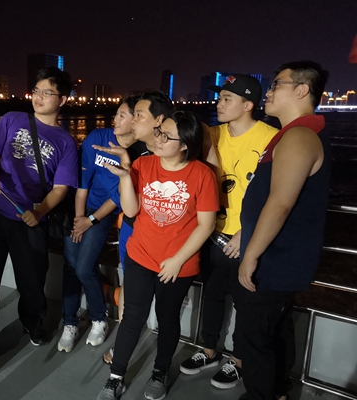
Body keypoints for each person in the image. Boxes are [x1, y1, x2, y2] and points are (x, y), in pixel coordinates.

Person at [96, 99, 218, 400]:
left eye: (167, 136)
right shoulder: (143, 164)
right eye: (160, 132)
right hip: (140, 255)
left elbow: (206, 225)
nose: (159, 139)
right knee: (132, 316)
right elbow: (131, 210)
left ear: (185, 145)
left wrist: (177, 260)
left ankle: (160, 371)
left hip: (177, 264)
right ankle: (116, 377)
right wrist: (125, 177)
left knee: (167, 318)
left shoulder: (202, 175)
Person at [0, 67, 78, 373]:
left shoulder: (66, 142)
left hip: (29, 219)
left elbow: (60, 189)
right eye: (36, 91)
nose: (38, 98)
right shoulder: (11, 119)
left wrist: (39, 212)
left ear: (63, 100)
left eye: (47, 93)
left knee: (31, 281)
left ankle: (33, 322)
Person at [236, 61, 330, 400]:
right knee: (275, 331)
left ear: (302, 90)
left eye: (277, 84)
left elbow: (280, 204)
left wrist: (250, 255)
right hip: (278, 257)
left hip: (275, 260)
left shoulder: (299, 136)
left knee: (254, 338)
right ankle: (278, 392)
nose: (270, 91)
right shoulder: (294, 134)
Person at [179, 75, 278, 389]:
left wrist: (248, 232)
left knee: (245, 302)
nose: (219, 104)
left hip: (246, 237)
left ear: (248, 105)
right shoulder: (212, 134)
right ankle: (208, 350)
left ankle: (238, 360)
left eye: (227, 99)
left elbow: (276, 194)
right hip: (213, 232)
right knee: (212, 295)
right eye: (219, 98)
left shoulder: (271, 138)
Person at [98, 93, 173, 365]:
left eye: (138, 115)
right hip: (133, 228)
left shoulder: (174, 151)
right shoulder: (135, 151)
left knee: (165, 306)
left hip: (163, 235)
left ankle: (160, 363)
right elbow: (128, 201)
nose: (133, 121)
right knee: (129, 287)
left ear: (159, 120)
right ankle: (122, 344)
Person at [58, 96, 138, 353]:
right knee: (71, 266)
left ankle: (99, 319)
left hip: (102, 214)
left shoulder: (138, 152)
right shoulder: (98, 137)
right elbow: (83, 183)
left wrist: (91, 220)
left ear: (136, 120)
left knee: (83, 268)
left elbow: (118, 197)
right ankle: (69, 322)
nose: (115, 119)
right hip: (79, 208)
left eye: (122, 115)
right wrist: (79, 220)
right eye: (116, 114)